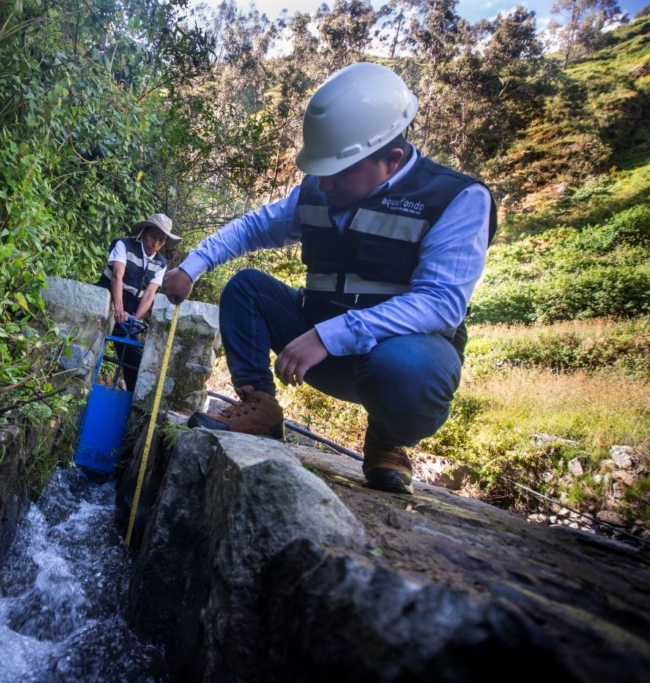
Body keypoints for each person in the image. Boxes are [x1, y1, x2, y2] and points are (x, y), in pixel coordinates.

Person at [160, 62, 496, 495]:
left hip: (395, 365)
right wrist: (193, 265)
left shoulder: (457, 199)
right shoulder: (319, 189)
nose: (324, 182)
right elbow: (252, 228)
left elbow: (440, 304)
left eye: (338, 171)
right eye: (320, 169)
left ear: (391, 160)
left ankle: (388, 438)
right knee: (245, 287)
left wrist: (328, 335)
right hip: (318, 352)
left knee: (408, 368)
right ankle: (260, 409)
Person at [96, 213, 182, 392]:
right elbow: (117, 276)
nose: (155, 244)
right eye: (152, 237)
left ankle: (131, 404)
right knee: (90, 343)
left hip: (129, 314)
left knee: (134, 362)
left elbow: (150, 293)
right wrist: (118, 309)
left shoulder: (161, 263)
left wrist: (135, 319)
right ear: (143, 233)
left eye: (161, 240)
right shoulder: (123, 245)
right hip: (105, 302)